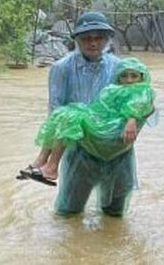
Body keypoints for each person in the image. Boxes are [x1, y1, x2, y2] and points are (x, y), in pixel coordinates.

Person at [30, 11, 144, 216]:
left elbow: (139, 97)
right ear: (77, 40)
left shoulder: (120, 68)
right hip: (81, 150)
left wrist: (133, 120)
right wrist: (49, 151)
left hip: (117, 147)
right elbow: (56, 113)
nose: (93, 43)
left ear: (107, 39)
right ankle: (47, 166)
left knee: (115, 214)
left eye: (99, 37)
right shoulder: (62, 68)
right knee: (69, 212)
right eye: (87, 38)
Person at [18, 57, 155, 186]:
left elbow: (139, 105)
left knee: (70, 118)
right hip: (104, 122)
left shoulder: (143, 90)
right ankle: (40, 161)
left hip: (112, 130)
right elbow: (100, 108)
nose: (129, 80)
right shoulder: (114, 89)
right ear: (118, 76)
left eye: (134, 76)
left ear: (141, 77)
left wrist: (131, 120)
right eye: (124, 76)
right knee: (60, 113)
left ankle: (52, 168)